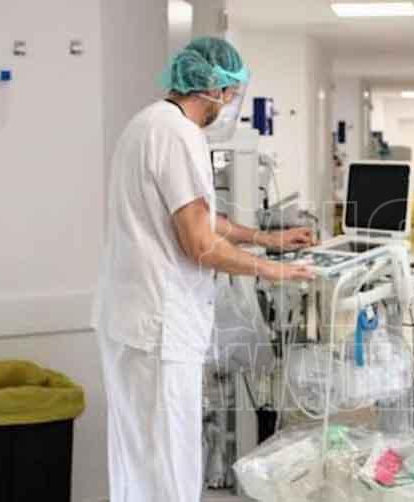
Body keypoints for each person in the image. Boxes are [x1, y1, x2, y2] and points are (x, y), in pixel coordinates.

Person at [93, 37, 315, 502]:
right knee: (172, 458)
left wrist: (266, 239)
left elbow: (198, 216)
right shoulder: (181, 135)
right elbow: (198, 242)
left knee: (137, 457)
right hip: (161, 325)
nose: (229, 103)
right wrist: (271, 271)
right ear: (212, 87)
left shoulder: (144, 124)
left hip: (130, 320)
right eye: (230, 92)